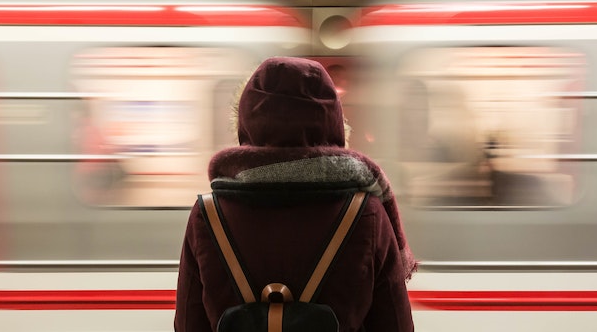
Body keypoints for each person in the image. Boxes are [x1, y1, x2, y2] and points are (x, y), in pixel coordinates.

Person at [174, 56, 417, 332]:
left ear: (247, 121)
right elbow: (396, 325)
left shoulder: (208, 215)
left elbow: (187, 324)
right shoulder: (367, 213)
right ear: (333, 122)